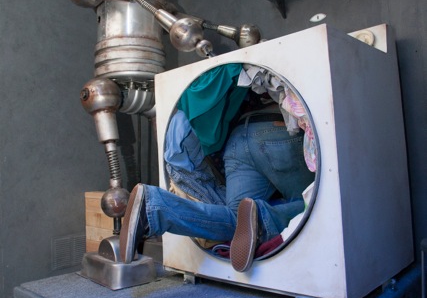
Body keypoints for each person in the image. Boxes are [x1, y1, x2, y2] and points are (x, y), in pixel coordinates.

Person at [119, 104, 313, 272]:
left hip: (237, 140)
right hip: (278, 129)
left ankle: (155, 207)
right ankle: (263, 219)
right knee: (313, 201)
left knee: (239, 219)